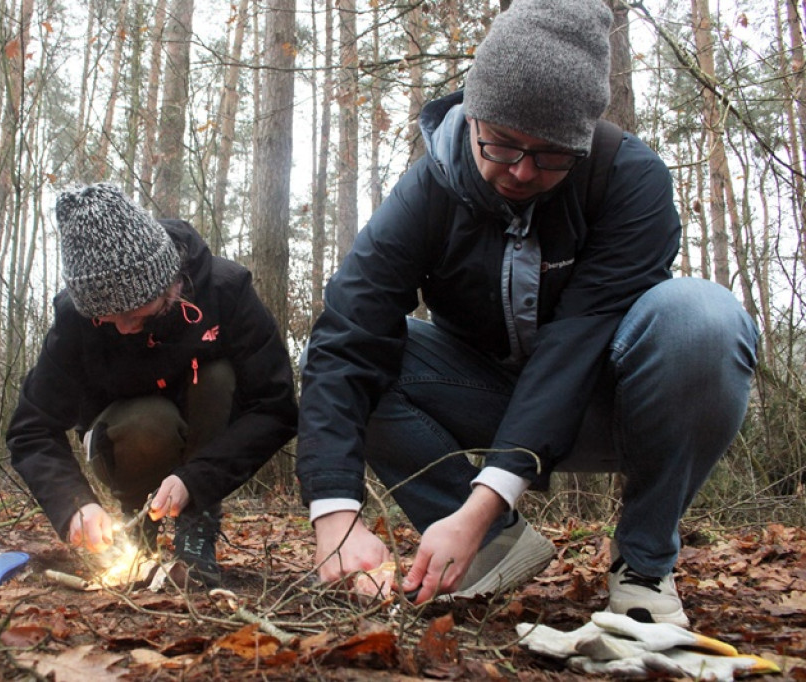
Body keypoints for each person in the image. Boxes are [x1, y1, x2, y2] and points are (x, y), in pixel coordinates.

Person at [296, 0, 758, 627]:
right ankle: (493, 547)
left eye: (550, 156)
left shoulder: (630, 182)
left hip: (612, 402)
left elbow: (575, 345)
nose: (520, 170)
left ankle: (645, 563)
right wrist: (335, 510)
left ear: (583, 143)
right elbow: (348, 336)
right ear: (473, 113)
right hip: (484, 392)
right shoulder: (425, 192)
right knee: (373, 353)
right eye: (503, 144)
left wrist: (486, 495)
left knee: (703, 318)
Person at [7, 183, 298, 587]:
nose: (123, 328)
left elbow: (276, 406)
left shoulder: (225, 292)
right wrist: (75, 505)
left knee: (217, 376)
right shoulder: (74, 320)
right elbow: (31, 428)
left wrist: (197, 481)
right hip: (126, 437)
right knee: (150, 419)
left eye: (135, 312)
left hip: (206, 444)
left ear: (170, 282)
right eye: (106, 318)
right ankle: (135, 520)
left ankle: (197, 520)